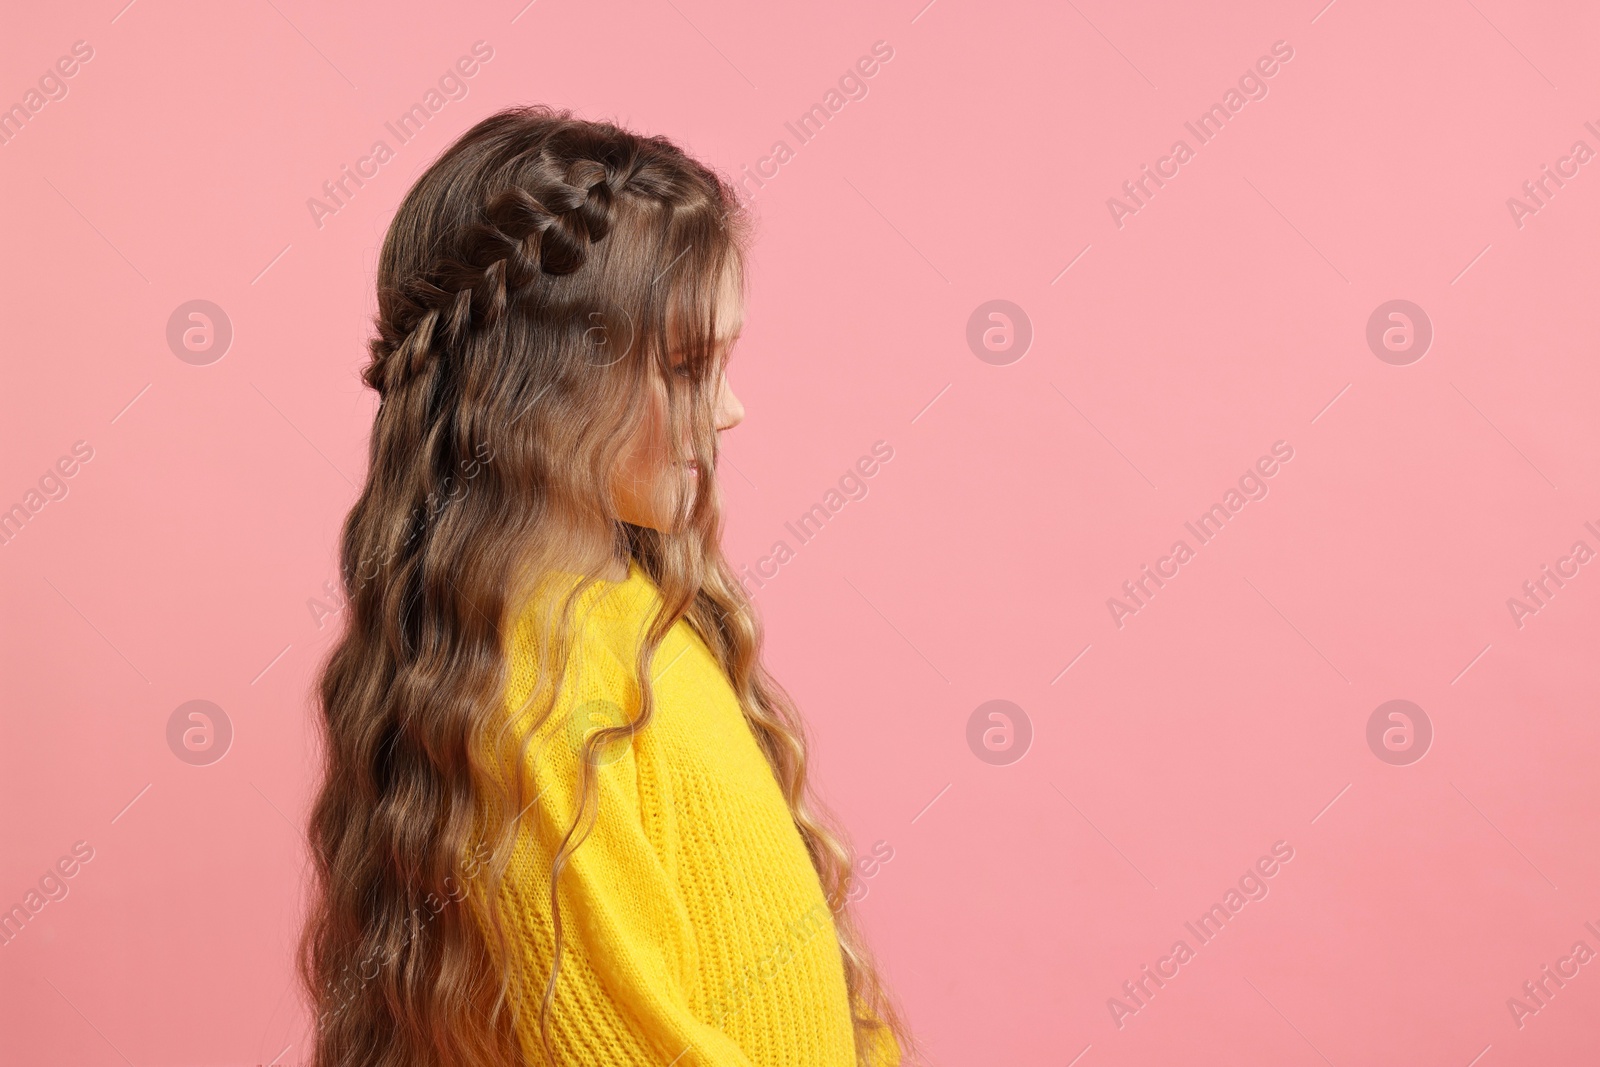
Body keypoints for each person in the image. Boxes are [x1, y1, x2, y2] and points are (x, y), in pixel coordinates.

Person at [298, 104, 916, 1067]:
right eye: (686, 366)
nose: (731, 411)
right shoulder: (534, 694)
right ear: (537, 384)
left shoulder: (643, 614)